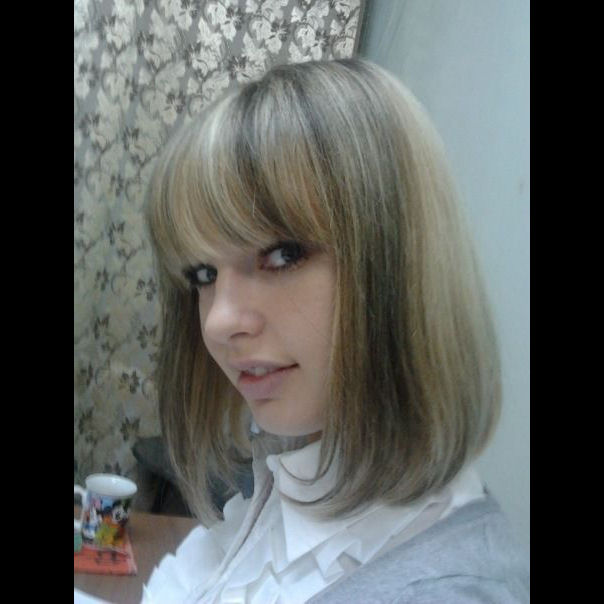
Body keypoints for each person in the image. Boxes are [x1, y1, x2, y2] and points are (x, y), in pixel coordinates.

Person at [142, 58, 529, 602]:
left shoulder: (447, 592)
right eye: (204, 275)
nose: (218, 322)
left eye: (283, 254)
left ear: (399, 262)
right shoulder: (291, 475)